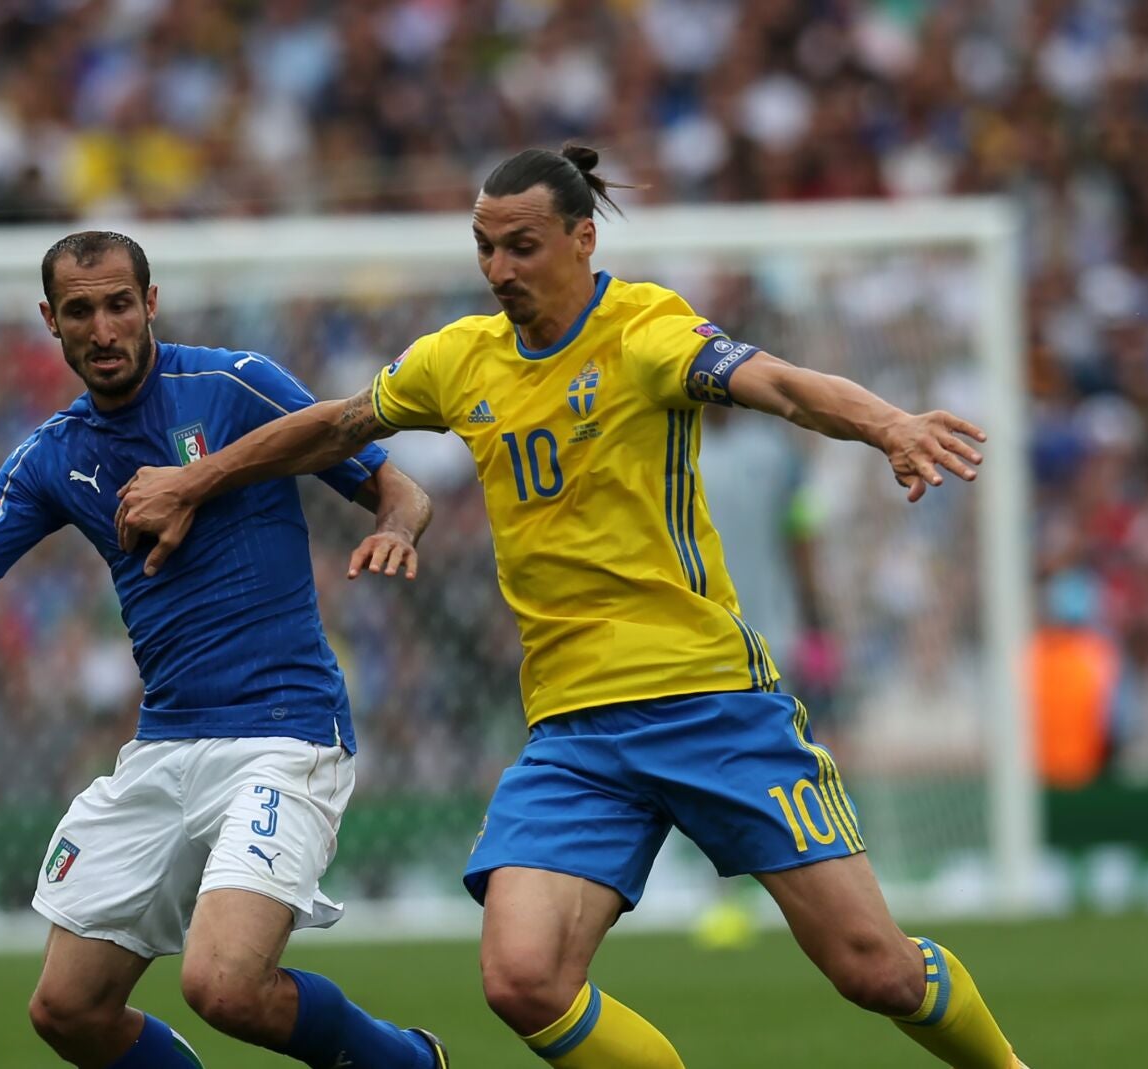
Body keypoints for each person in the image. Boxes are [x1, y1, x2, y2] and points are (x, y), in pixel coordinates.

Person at [116, 147, 1031, 1069]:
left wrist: (887, 424)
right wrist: (200, 478)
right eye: (485, 247)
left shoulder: (643, 329)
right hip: (574, 730)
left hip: (708, 698)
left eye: (522, 245)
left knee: (875, 971)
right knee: (523, 977)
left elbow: (781, 385)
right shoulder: (458, 359)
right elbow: (335, 423)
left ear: (583, 238)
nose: (500, 268)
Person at [0, 231, 447, 1069]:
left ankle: (410, 1063)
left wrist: (392, 523)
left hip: (284, 734)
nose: (102, 329)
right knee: (68, 1009)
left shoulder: (232, 384)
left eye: (117, 305)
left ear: (150, 303)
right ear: (50, 322)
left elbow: (396, 479)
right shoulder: (52, 455)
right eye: (79, 311)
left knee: (225, 985)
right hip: (166, 746)